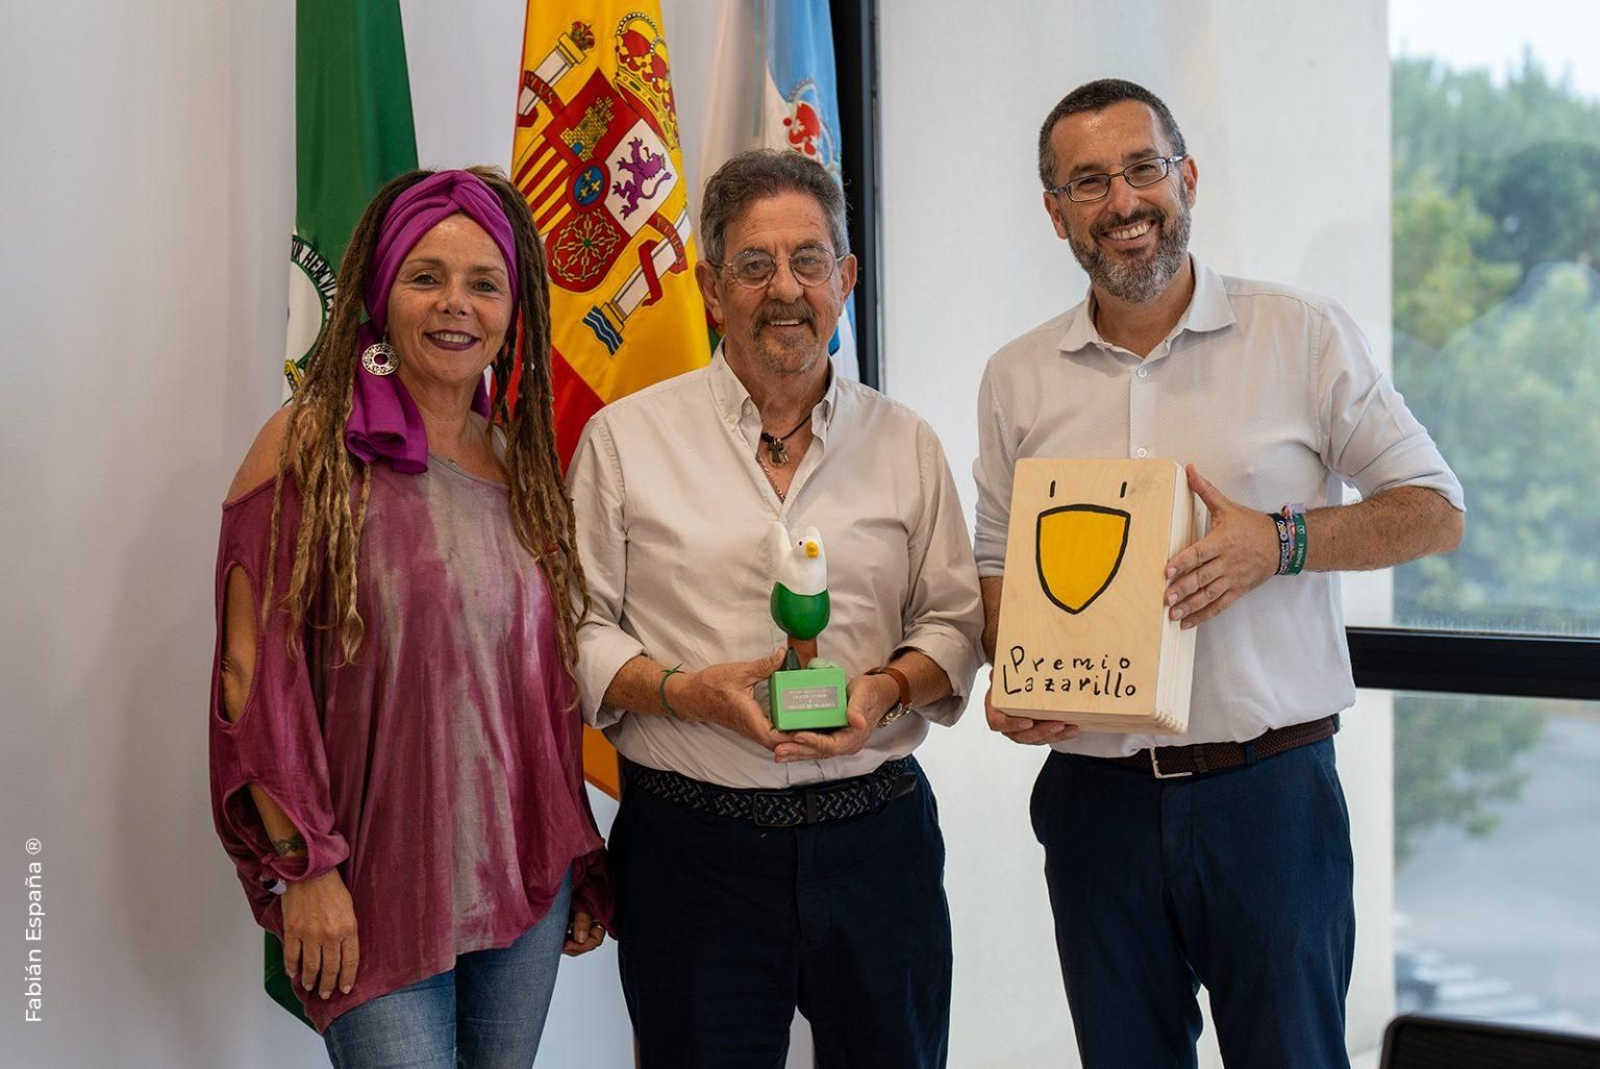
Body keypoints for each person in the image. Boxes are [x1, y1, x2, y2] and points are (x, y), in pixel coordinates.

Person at [974, 80, 1465, 1069]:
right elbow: (996, 561)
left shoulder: (1301, 335)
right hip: (1094, 808)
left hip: (1268, 800)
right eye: (1087, 182)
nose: (1121, 202)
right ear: (1054, 210)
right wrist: (1009, 673)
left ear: (1185, 175)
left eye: (1141, 168)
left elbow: (1433, 509)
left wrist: (1275, 542)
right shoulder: (1016, 377)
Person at [567, 149, 984, 1069]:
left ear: (846, 278)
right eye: (755, 265)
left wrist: (883, 688)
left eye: (809, 261)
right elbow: (579, 630)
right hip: (692, 850)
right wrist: (688, 692)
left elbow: (953, 622)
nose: (784, 289)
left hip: (878, 843)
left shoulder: (907, 442)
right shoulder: (626, 441)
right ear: (712, 287)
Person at [209, 167, 610, 1066]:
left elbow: (538, 696)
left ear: (515, 309)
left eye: (483, 283)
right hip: (367, 884)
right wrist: (302, 866)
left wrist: (572, 848)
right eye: (426, 276)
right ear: (380, 290)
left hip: (520, 887)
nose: (454, 304)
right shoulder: (308, 444)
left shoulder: (522, 466)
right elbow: (250, 672)